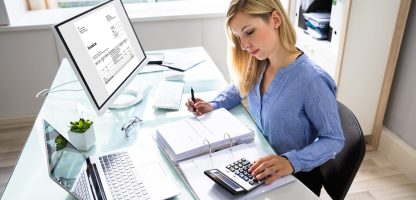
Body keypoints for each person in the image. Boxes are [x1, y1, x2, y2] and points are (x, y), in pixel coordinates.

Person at [185, 0, 344, 196]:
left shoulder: (312, 80)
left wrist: (290, 162)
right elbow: (238, 87)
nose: (243, 45)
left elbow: (334, 139)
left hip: (295, 178)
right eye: (238, 36)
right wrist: (213, 104)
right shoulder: (261, 63)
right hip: (261, 167)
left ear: (275, 19)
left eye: (249, 32)